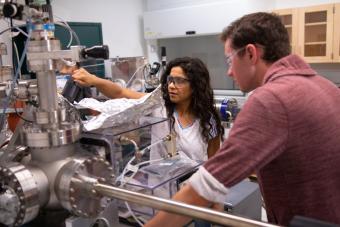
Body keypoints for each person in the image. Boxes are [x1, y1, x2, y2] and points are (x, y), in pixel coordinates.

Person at [144, 12, 340, 227]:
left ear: (250, 54)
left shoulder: (270, 99)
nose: (228, 72)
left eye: (230, 59)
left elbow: (208, 185)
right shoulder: (325, 86)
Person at [72, 57, 224, 161]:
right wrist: (94, 80)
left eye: (180, 81)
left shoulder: (208, 120)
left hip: (191, 193)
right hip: (161, 192)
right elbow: (120, 93)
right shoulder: (158, 106)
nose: (171, 85)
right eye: (170, 80)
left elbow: (214, 163)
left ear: (196, 85)